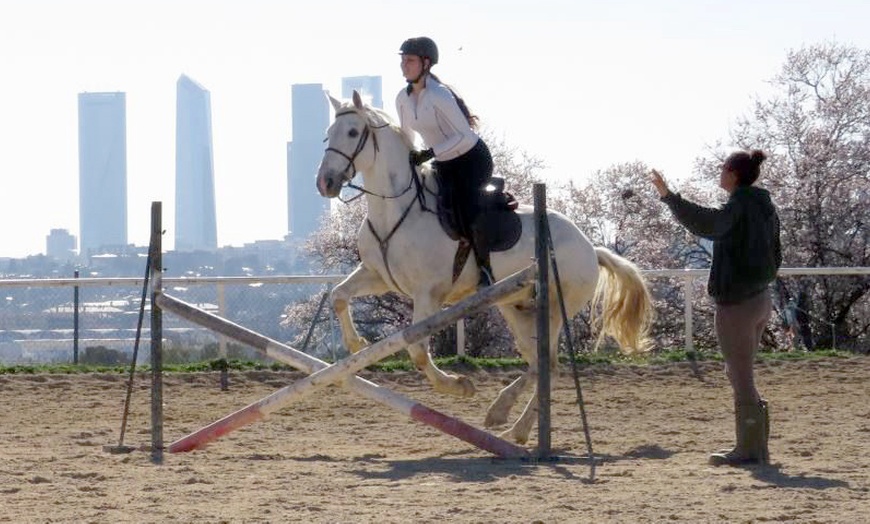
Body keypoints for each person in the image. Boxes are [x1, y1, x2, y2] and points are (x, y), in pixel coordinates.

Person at [649, 149, 782, 467]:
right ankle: (756, 445)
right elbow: (777, 253)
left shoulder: (739, 206)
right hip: (761, 297)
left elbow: (709, 223)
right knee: (743, 372)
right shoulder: (765, 206)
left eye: (723, 169)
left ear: (734, 174)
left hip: (737, 303)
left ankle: (750, 450)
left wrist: (670, 198)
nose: (719, 174)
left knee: (740, 376)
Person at [395, 36, 495, 287]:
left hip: (471, 160)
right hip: (443, 162)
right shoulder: (402, 98)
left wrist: (430, 153)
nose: (404, 65)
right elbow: (407, 136)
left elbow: (465, 136)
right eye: (402, 61)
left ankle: (485, 269)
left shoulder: (439, 95)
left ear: (426, 63)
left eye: (410, 60)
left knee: (465, 205)